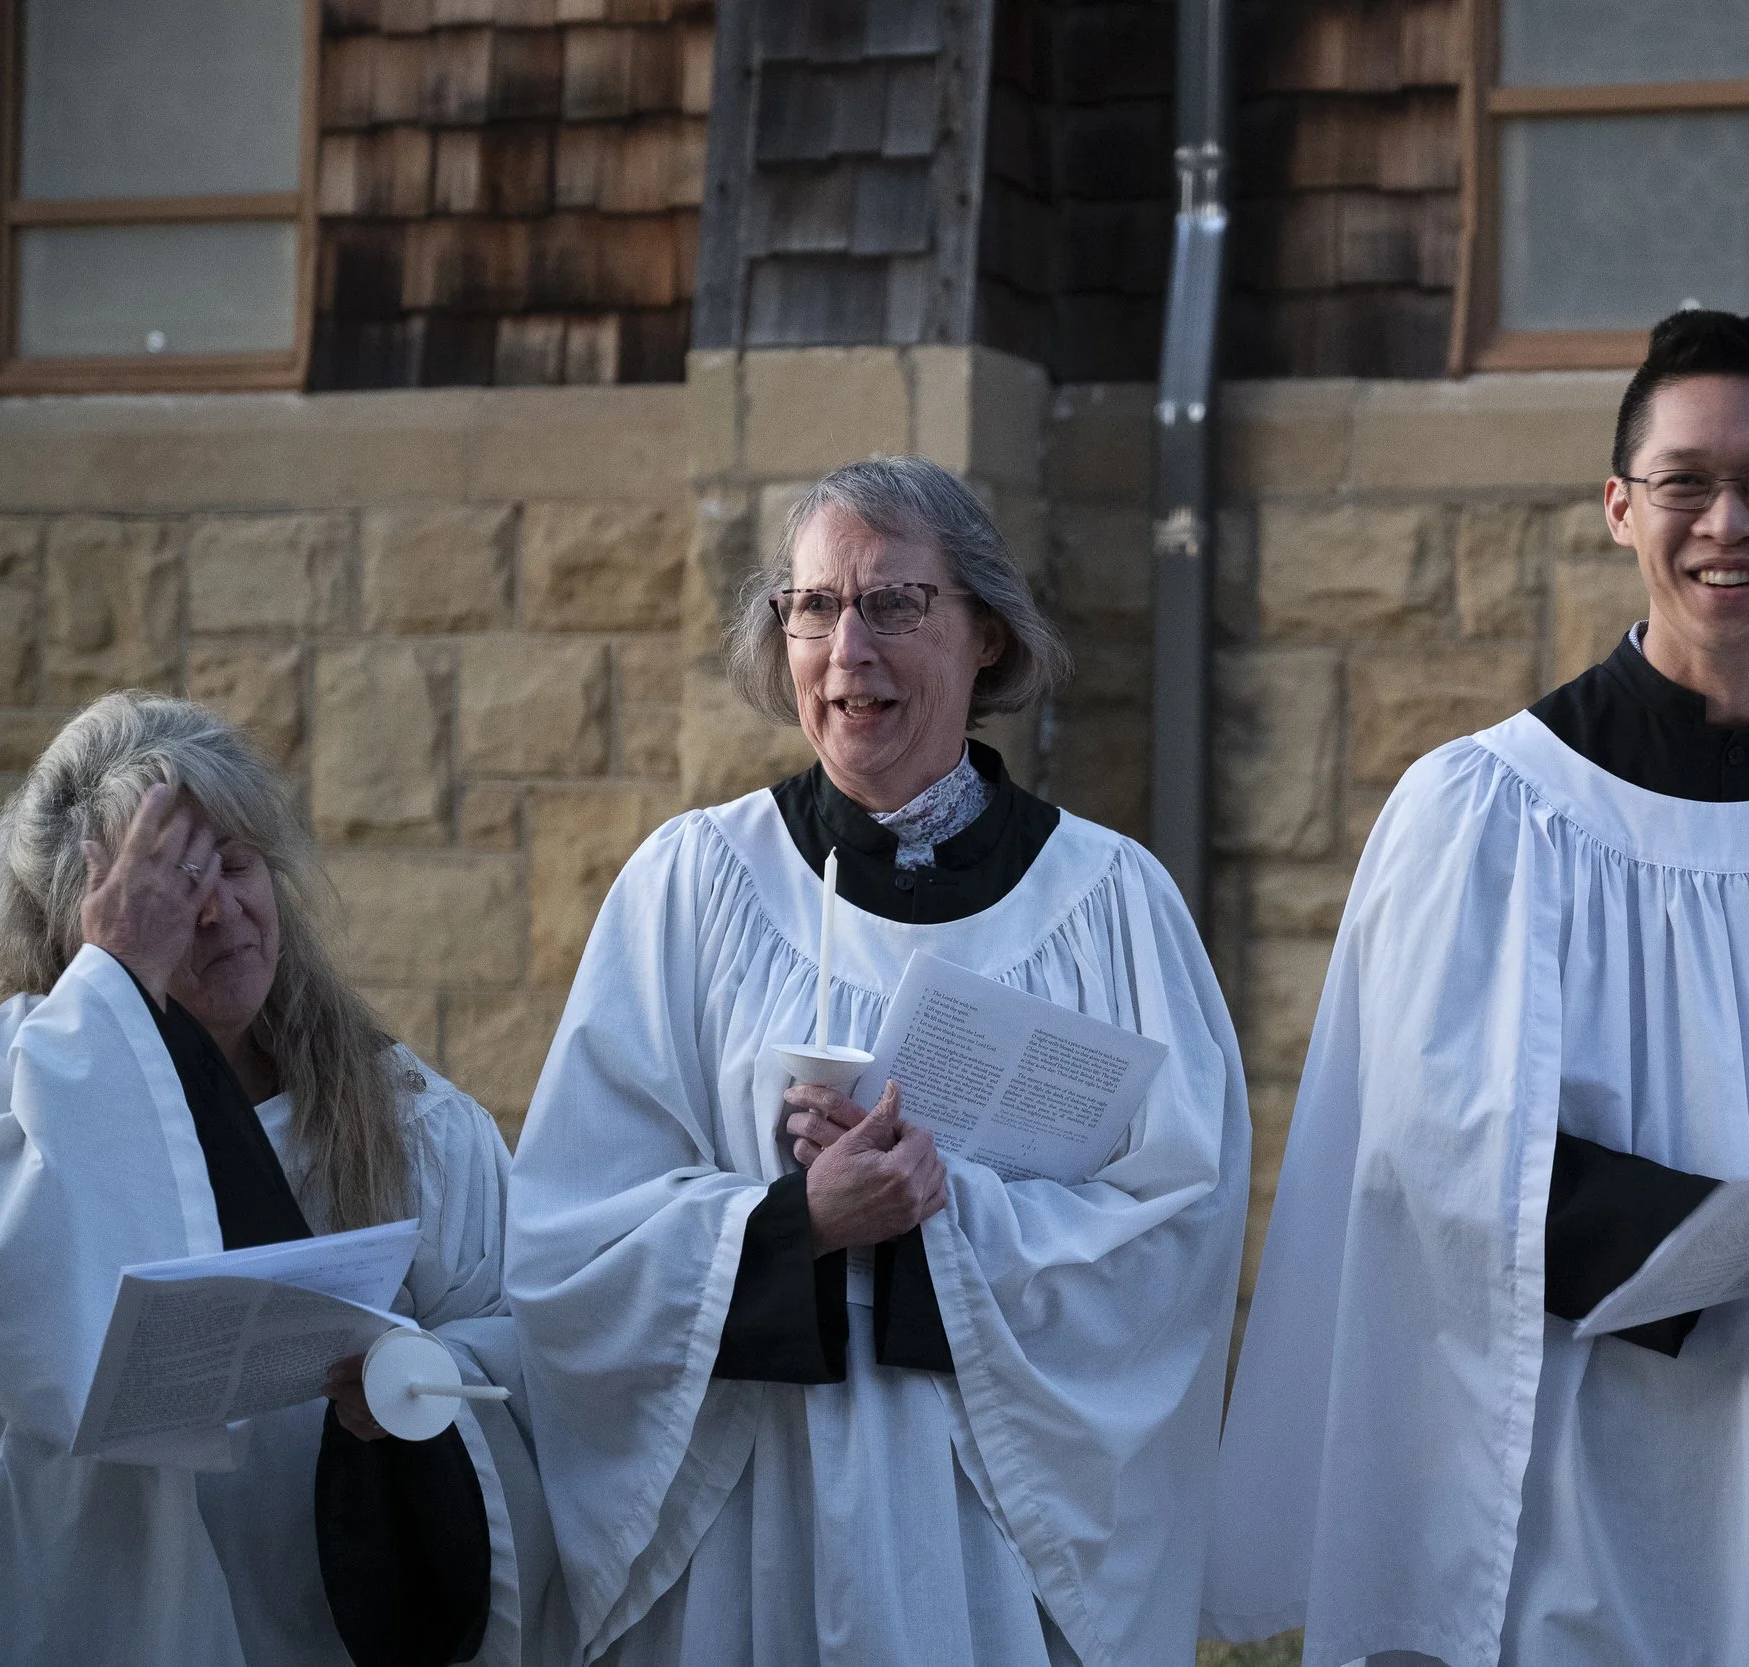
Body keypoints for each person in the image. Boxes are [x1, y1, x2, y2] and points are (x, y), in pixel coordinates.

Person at [1206, 311, 1749, 1667]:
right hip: (1586, 1457)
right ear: (1621, 507)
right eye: (1684, 480)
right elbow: (1435, 1157)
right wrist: (1740, 1242)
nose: (1726, 521)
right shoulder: (1489, 811)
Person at [507, 454, 1250, 1666]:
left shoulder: (1112, 902)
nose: (848, 648)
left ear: (988, 639)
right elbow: (569, 1235)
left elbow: (1176, 1229)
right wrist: (793, 1223)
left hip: (990, 1531)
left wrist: (936, 1216)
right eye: (813, 607)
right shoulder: (693, 887)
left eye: (895, 604)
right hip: (749, 1510)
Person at [0, 692, 564, 1667]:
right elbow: (21, 1312)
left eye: (236, 865)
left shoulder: (412, 1124)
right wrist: (114, 994)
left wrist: (414, 1373)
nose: (219, 911)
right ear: (85, 926)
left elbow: (520, 1339)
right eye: (169, 893)